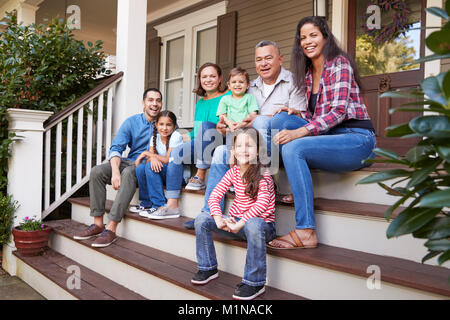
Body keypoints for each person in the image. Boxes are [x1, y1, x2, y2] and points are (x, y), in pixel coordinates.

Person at [267, 16, 376, 249]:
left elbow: (337, 112)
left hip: (356, 140)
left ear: (325, 37)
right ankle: (262, 190)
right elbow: (317, 119)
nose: (307, 41)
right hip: (329, 136)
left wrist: (301, 132)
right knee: (280, 120)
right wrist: (296, 114)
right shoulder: (308, 74)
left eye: (313, 35)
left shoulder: (339, 64)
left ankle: (306, 230)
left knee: (294, 146)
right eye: (302, 37)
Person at [183, 40, 306, 230]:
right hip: (247, 146)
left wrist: (259, 120)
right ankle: (208, 213)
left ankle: (269, 184)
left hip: (279, 145)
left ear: (280, 59)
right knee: (220, 152)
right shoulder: (250, 86)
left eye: (268, 58)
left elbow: (300, 116)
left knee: (262, 122)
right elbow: (238, 112)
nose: (263, 63)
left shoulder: (293, 81)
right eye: (259, 59)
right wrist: (224, 126)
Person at [191, 128, 276, 300]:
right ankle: (207, 268)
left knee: (253, 223)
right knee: (202, 219)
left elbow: (262, 204)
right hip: (236, 223)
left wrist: (240, 222)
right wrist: (217, 217)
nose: (244, 150)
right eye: (239, 146)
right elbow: (214, 196)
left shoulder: (264, 174)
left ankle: (254, 283)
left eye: (249, 146)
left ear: (258, 151)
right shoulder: (233, 172)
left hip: (261, 227)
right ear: (233, 151)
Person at [73, 88, 163, 247]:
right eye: (150, 100)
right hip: (129, 160)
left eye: (158, 100)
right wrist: (115, 172)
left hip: (146, 166)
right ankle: (98, 223)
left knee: (128, 172)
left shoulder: (164, 122)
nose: (154, 104)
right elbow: (116, 148)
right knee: (97, 171)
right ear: (143, 103)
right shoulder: (132, 122)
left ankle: (112, 228)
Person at [170, 62, 230, 193]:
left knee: (207, 126)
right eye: (204, 77)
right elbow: (197, 132)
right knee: (175, 153)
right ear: (200, 80)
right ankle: (172, 201)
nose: (208, 80)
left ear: (220, 78)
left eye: (212, 76)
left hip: (222, 140)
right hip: (202, 142)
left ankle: (201, 174)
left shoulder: (230, 96)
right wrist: (177, 137)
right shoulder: (200, 103)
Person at [134, 111, 183, 219]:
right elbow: (148, 160)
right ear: (156, 125)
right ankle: (147, 202)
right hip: (161, 172)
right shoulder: (154, 138)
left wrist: (148, 154)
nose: (164, 128)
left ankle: (159, 204)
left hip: (175, 176)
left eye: (168, 125)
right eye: (161, 124)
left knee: (149, 167)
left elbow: (167, 160)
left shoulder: (176, 136)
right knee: (141, 168)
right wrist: (151, 157)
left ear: (174, 126)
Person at [216, 67, 259, 139]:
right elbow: (222, 116)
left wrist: (241, 124)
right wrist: (230, 124)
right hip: (230, 130)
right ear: (229, 85)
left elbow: (252, 116)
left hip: (246, 129)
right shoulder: (225, 99)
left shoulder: (250, 98)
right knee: (230, 147)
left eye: (241, 82)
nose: (237, 84)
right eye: (234, 82)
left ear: (248, 85)